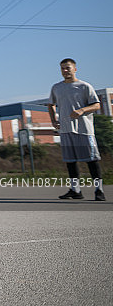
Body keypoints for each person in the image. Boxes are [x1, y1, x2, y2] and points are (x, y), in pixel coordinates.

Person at [48, 58, 105, 201]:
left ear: (75, 69)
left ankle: (99, 190)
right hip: (65, 130)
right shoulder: (56, 87)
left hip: (84, 129)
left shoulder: (84, 86)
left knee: (92, 160)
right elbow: (50, 104)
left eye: (67, 68)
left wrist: (82, 110)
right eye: (62, 68)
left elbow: (97, 105)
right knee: (70, 161)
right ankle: (75, 190)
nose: (65, 71)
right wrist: (53, 120)